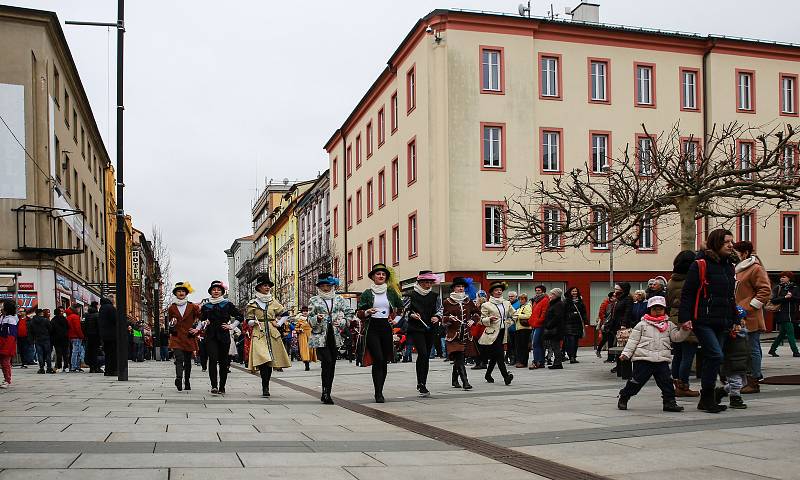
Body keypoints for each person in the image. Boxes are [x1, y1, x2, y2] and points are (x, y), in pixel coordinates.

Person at [679, 228, 737, 414]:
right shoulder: (700, 264)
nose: (731, 245)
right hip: (703, 319)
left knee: (713, 357)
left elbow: (730, 296)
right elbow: (687, 293)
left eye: (731, 242)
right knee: (715, 355)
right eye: (727, 242)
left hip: (723, 319)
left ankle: (707, 398)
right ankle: (707, 397)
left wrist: (736, 318)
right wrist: (685, 318)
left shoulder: (729, 265)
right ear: (716, 243)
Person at [617, 296, 691, 412]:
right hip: (643, 359)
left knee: (666, 382)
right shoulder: (642, 325)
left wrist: (684, 330)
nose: (657, 311)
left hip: (661, 360)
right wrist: (626, 353)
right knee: (636, 382)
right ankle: (624, 396)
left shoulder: (669, 325)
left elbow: (676, 338)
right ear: (649, 310)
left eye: (660, 309)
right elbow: (633, 341)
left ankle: (669, 402)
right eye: (654, 309)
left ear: (664, 310)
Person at [357, 263, 404, 403]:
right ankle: (377, 392)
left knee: (384, 360)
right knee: (377, 358)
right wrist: (367, 311)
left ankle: (380, 390)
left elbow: (401, 308)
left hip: (385, 327)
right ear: (373, 277)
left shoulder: (391, 292)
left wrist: (396, 320)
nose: (381, 276)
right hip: (372, 327)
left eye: (383, 274)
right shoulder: (367, 293)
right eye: (378, 274)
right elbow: (359, 313)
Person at [732, 241, 771, 393]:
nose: (733, 254)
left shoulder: (755, 268)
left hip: (750, 315)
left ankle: (754, 380)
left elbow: (765, 291)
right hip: (740, 314)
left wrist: (748, 307)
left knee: (752, 348)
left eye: (736, 252)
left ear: (745, 253)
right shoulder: (739, 269)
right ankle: (752, 376)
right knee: (748, 348)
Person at [308, 273, 354, 404]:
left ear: (332, 285)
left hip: (335, 336)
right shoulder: (314, 300)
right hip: (320, 336)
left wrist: (343, 322)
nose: (325, 288)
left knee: (332, 364)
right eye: (323, 285)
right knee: (326, 362)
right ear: (319, 286)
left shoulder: (339, 299)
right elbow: (309, 319)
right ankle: (325, 392)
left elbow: (350, 313)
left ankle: (327, 391)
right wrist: (317, 318)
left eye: (328, 285)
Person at [246, 273, 291, 397]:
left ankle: (266, 386)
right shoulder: (253, 303)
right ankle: (264, 384)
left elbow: (285, 314)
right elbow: (248, 320)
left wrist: (279, 323)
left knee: (270, 360)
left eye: (268, 286)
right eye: (264, 285)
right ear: (259, 287)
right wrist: (253, 322)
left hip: (272, 333)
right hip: (259, 332)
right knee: (263, 358)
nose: (267, 288)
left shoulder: (273, 301)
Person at [402, 271, 443, 397]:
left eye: (430, 282)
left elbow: (440, 309)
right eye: (426, 282)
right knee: (423, 353)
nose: (428, 284)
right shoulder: (410, 295)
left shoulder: (435, 296)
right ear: (419, 282)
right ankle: (420, 382)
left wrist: (437, 317)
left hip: (430, 328)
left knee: (425, 356)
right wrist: (411, 315)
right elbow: (404, 311)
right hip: (416, 328)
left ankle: (422, 383)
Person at [200, 280, 243, 395]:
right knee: (213, 359)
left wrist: (231, 326)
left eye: (219, 289)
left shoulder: (227, 304)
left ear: (222, 291)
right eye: (214, 289)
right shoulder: (206, 305)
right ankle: (214, 385)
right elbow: (201, 320)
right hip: (210, 335)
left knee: (224, 362)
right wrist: (205, 323)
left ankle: (222, 386)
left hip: (223, 334)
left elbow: (240, 316)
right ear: (210, 291)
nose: (216, 291)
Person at [667, 250, 700, 397]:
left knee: (678, 354)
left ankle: (675, 383)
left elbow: (667, 302)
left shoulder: (671, 281)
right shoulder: (692, 281)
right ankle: (683, 385)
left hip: (674, 319)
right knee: (688, 354)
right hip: (688, 319)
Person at [443, 277, 480, 390]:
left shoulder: (468, 301)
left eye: (462, 287)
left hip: (466, 334)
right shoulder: (447, 301)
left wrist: (472, 320)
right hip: (454, 334)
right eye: (458, 286)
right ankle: (465, 382)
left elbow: (477, 313)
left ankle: (454, 380)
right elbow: (443, 318)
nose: (461, 288)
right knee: (459, 357)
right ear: (454, 288)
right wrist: (450, 318)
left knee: (460, 358)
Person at [479, 281, 515, 385]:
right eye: (496, 290)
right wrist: (489, 319)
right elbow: (481, 320)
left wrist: (509, 322)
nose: (499, 292)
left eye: (500, 290)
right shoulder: (486, 305)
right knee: (500, 354)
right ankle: (506, 376)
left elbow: (515, 314)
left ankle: (488, 375)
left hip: (503, 332)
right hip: (492, 333)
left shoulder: (507, 303)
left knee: (495, 356)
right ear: (492, 292)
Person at [167, 282, 201, 391]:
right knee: (179, 359)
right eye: (179, 291)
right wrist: (172, 323)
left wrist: (197, 329)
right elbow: (169, 323)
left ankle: (187, 381)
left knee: (187, 361)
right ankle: (178, 378)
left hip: (189, 336)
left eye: (183, 291)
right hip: (177, 337)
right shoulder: (171, 307)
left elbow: (202, 318)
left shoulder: (193, 306)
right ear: (175, 293)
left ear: (186, 293)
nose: (181, 293)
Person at [719, 307, 751, 409]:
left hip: (742, 362)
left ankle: (722, 391)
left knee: (743, 382)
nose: (742, 323)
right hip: (731, 362)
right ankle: (735, 399)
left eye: (743, 320)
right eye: (739, 321)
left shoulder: (745, 333)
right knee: (736, 382)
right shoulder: (728, 334)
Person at [767, 271, 799, 358]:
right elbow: (773, 300)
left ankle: (772, 349)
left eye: (784, 277)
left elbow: (798, 299)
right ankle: (795, 352)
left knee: (782, 333)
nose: (781, 278)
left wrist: (791, 296)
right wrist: (785, 297)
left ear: (789, 278)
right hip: (782, 313)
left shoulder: (795, 288)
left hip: (792, 314)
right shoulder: (778, 288)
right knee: (790, 332)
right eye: (781, 277)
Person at [542, 288, 566, 370]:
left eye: (552, 294)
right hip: (554, 328)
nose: (550, 296)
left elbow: (557, 317)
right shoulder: (554, 303)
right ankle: (557, 362)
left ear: (556, 295)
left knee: (555, 346)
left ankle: (558, 363)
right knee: (554, 345)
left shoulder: (558, 304)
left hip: (556, 329)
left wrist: (549, 325)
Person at [563, 287, 587, 364]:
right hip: (568, 323)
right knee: (570, 340)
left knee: (575, 341)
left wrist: (585, 322)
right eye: (573, 291)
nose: (574, 293)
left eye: (575, 291)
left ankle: (573, 356)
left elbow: (583, 312)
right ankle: (571, 356)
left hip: (578, 323)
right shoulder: (566, 301)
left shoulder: (580, 301)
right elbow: (563, 312)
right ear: (570, 292)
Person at [529, 285, 549, 369]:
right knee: (538, 344)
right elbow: (533, 312)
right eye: (536, 290)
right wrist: (531, 321)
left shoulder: (545, 300)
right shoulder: (536, 300)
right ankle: (540, 361)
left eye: (539, 290)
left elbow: (544, 313)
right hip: (534, 324)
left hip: (539, 325)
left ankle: (537, 361)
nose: (537, 292)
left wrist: (538, 321)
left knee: (535, 343)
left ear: (543, 291)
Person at [0, 300, 20, 387]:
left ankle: (7, 380)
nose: (1, 308)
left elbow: (12, 335)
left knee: (5, 363)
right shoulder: (2, 317)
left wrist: (7, 348)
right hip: (2, 343)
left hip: (7, 344)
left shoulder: (11, 320)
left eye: (2, 306)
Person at [28, 308, 54, 374]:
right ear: (41, 313)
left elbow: (30, 331)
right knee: (48, 354)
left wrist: (31, 339)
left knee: (40, 354)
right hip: (46, 338)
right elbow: (50, 329)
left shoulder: (32, 321)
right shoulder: (45, 320)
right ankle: (49, 368)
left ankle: (41, 368)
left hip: (37, 339)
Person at [99, 298, 118, 376]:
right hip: (112, 334)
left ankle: (107, 370)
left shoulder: (101, 308)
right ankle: (113, 370)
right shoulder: (111, 308)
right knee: (113, 353)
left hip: (104, 335)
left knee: (107, 353)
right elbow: (115, 319)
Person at [294, 306, 317, 371]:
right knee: (304, 350)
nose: (305, 312)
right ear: (302, 312)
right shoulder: (299, 320)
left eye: (306, 311)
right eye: (304, 311)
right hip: (303, 336)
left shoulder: (311, 319)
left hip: (310, 335)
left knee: (310, 350)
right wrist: (300, 330)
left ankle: (309, 361)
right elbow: (296, 328)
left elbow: (315, 326)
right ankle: (306, 364)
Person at [513, 293, 531, 368]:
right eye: (520, 299)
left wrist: (518, 316)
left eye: (522, 299)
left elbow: (529, 315)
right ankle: (519, 361)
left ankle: (523, 362)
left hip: (525, 329)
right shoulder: (520, 307)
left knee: (523, 346)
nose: (521, 300)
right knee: (519, 346)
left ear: (526, 300)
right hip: (519, 328)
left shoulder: (527, 306)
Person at [83, 302, 101, 373]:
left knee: (89, 351)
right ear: (96, 306)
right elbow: (99, 326)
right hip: (96, 336)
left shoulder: (87, 315)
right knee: (95, 352)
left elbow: (84, 326)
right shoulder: (97, 315)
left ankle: (91, 367)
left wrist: (85, 335)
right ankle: (96, 367)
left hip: (89, 336)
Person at [595, 292, 614, 359]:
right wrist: (604, 322)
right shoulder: (605, 303)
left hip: (611, 324)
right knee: (606, 339)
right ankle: (608, 356)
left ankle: (610, 356)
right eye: (613, 297)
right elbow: (601, 313)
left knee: (609, 339)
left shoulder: (614, 303)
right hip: (606, 324)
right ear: (610, 297)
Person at [66, 305, 84, 372]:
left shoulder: (68, 317)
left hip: (71, 336)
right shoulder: (75, 317)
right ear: (76, 309)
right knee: (76, 352)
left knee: (74, 351)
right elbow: (77, 328)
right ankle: (74, 366)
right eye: (79, 309)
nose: (79, 310)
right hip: (76, 336)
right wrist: (81, 335)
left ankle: (74, 366)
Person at [50, 308, 69, 372]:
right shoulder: (64, 319)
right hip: (65, 338)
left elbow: (51, 330)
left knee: (59, 354)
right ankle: (66, 367)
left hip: (56, 339)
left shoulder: (53, 320)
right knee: (65, 353)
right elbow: (68, 327)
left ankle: (59, 367)